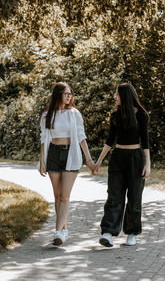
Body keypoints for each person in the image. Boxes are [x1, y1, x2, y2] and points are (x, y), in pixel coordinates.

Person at [39, 82, 96, 246]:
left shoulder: (74, 114)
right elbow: (44, 140)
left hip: (70, 153)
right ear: (59, 95)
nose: (69, 96)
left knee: (64, 196)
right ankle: (63, 230)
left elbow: (81, 136)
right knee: (57, 196)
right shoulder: (47, 116)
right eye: (66, 93)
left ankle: (57, 232)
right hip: (53, 154)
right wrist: (42, 162)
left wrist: (89, 160)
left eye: (70, 94)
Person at [95, 82, 150, 247]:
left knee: (134, 197)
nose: (114, 97)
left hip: (135, 158)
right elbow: (110, 141)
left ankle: (131, 233)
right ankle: (108, 233)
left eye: (117, 94)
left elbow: (145, 140)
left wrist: (148, 163)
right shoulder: (115, 115)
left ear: (124, 96)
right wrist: (98, 161)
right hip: (118, 157)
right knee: (114, 196)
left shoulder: (141, 114)